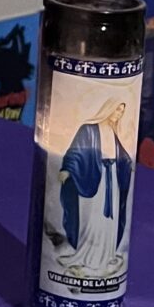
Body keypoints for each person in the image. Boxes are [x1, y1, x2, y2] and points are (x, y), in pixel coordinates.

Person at [55, 97, 135, 278]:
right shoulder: (89, 130)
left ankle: (105, 256)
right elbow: (76, 151)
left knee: (109, 221)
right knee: (93, 219)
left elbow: (121, 154)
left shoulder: (114, 133)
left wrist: (127, 164)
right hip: (95, 179)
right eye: (117, 110)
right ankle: (86, 256)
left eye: (122, 111)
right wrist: (68, 168)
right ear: (108, 109)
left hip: (112, 179)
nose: (119, 114)